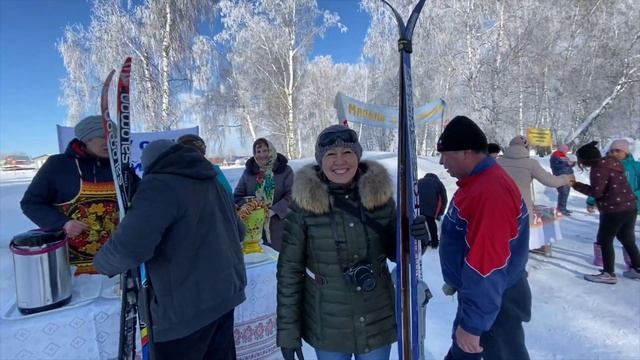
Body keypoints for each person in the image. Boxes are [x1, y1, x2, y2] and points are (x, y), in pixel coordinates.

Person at [276, 125, 430, 360]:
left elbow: (398, 253)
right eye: (331, 155)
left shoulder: (379, 196)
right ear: (321, 160)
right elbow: (290, 271)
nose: (340, 161)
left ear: (357, 155)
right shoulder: (302, 206)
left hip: (376, 319)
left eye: (347, 153)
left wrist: (416, 238)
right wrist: (288, 333)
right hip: (329, 327)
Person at [94, 140, 247, 359]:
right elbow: (239, 231)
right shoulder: (212, 180)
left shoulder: (159, 185)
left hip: (185, 310)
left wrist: (100, 263)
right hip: (224, 296)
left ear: (151, 165)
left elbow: (129, 248)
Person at [437, 116, 531, 360]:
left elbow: (488, 265)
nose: (441, 161)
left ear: (466, 152)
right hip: (485, 298)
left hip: (494, 303)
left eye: (445, 154)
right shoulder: (478, 182)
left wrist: (473, 324)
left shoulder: (489, 193)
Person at [20, 115, 118, 275]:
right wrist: (62, 223)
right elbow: (31, 203)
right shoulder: (58, 166)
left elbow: (139, 201)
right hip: (68, 267)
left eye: (113, 137)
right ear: (86, 139)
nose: (109, 141)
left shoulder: (119, 167)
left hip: (114, 264)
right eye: (103, 136)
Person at [571, 141, 640, 284]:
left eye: (581, 160)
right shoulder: (612, 163)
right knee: (626, 238)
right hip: (630, 206)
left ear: (586, 159)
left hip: (614, 209)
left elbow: (597, 192)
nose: (580, 163)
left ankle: (608, 273)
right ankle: (637, 268)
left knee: (604, 240)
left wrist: (575, 185)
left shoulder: (598, 168)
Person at [497, 135, 573, 256]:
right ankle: (528, 257)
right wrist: (565, 178)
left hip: (498, 208)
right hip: (521, 209)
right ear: (526, 147)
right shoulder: (531, 164)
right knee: (520, 244)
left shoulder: (497, 162)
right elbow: (550, 181)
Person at [586, 139, 640, 268]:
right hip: (608, 206)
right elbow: (598, 186)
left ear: (626, 152)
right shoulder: (604, 165)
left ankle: (631, 262)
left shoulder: (635, 166)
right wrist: (591, 200)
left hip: (629, 206)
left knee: (627, 236)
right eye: (611, 151)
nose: (614, 153)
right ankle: (601, 259)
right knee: (603, 234)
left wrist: (634, 197)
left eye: (617, 151)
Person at [234, 138, 294, 251]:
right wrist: (248, 208)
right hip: (254, 230)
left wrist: (272, 211)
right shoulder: (249, 172)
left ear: (271, 151)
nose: (262, 155)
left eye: (265, 150)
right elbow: (237, 195)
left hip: (280, 228)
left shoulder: (285, 170)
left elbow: (292, 195)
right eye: (258, 151)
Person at [417, 172, 448, 249]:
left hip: (418, 206)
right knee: (431, 224)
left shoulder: (419, 181)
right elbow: (444, 200)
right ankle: (434, 243)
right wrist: (440, 213)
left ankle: (420, 242)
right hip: (431, 208)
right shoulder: (439, 183)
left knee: (418, 224)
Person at [550, 144, 575, 215]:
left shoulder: (562, 155)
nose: (567, 151)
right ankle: (561, 209)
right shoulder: (557, 155)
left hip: (566, 177)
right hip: (562, 177)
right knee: (563, 193)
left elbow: (568, 163)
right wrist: (569, 164)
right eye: (566, 150)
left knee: (565, 193)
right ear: (562, 149)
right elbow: (558, 166)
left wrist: (572, 163)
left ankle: (563, 208)